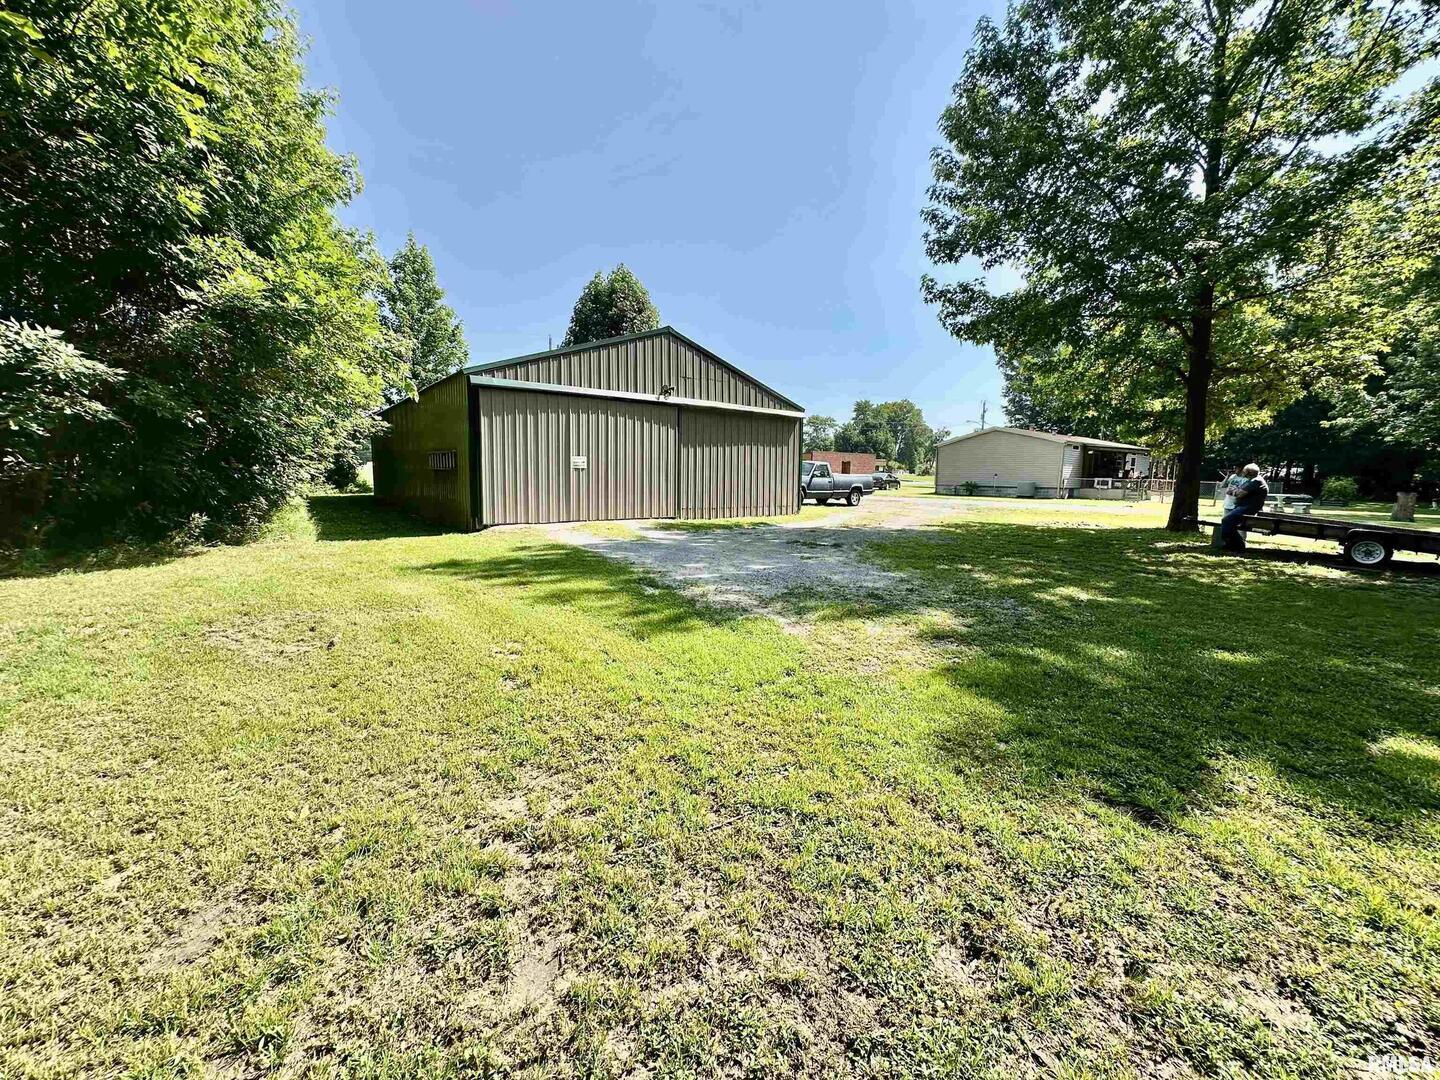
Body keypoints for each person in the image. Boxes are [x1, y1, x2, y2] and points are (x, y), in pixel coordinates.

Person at [1219, 463, 1269, 553]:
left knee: (1226, 521)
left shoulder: (1256, 481)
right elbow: (1239, 490)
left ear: (1248, 472)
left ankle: (1238, 546)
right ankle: (1231, 545)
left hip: (1247, 508)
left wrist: (1234, 492)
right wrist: (1236, 491)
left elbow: (1239, 493)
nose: (1243, 473)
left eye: (1244, 471)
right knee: (1229, 524)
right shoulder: (1251, 480)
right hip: (1243, 507)